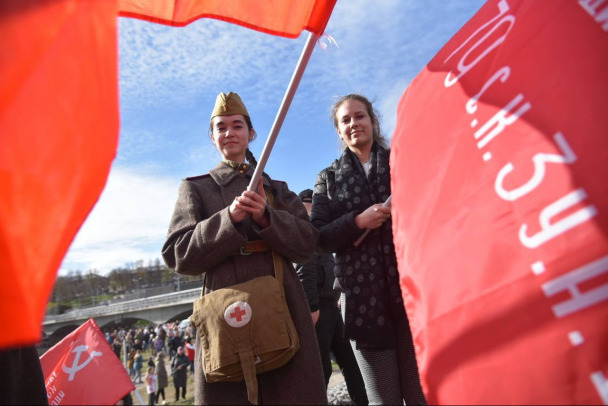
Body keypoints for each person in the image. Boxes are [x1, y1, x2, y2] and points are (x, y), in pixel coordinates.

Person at [162, 91, 326, 405]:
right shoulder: (195, 188)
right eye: (220, 127)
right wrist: (229, 220)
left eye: (237, 126)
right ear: (212, 137)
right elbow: (178, 254)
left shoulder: (276, 188)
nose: (229, 133)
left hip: (284, 302)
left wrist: (267, 217)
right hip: (225, 311)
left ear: (251, 134)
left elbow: (308, 243)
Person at [311, 94, 426, 405]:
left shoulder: (400, 162)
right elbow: (320, 237)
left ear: (372, 121)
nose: (353, 124)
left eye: (359, 116)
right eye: (345, 120)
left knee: (420, 393)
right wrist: (358, 221)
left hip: (410, 290)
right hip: (362, 299)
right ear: (339, 130)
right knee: (382, 398)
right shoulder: (328, 179)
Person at [296, 189, 369, 405]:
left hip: (332, 307)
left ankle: (363, 402)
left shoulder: (320, 231)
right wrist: (311, 307)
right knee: (321, 369)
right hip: (318, 309)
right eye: (308, 203)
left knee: (351, 362)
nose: (313, 207)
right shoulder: (303, 230)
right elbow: (303, 270)